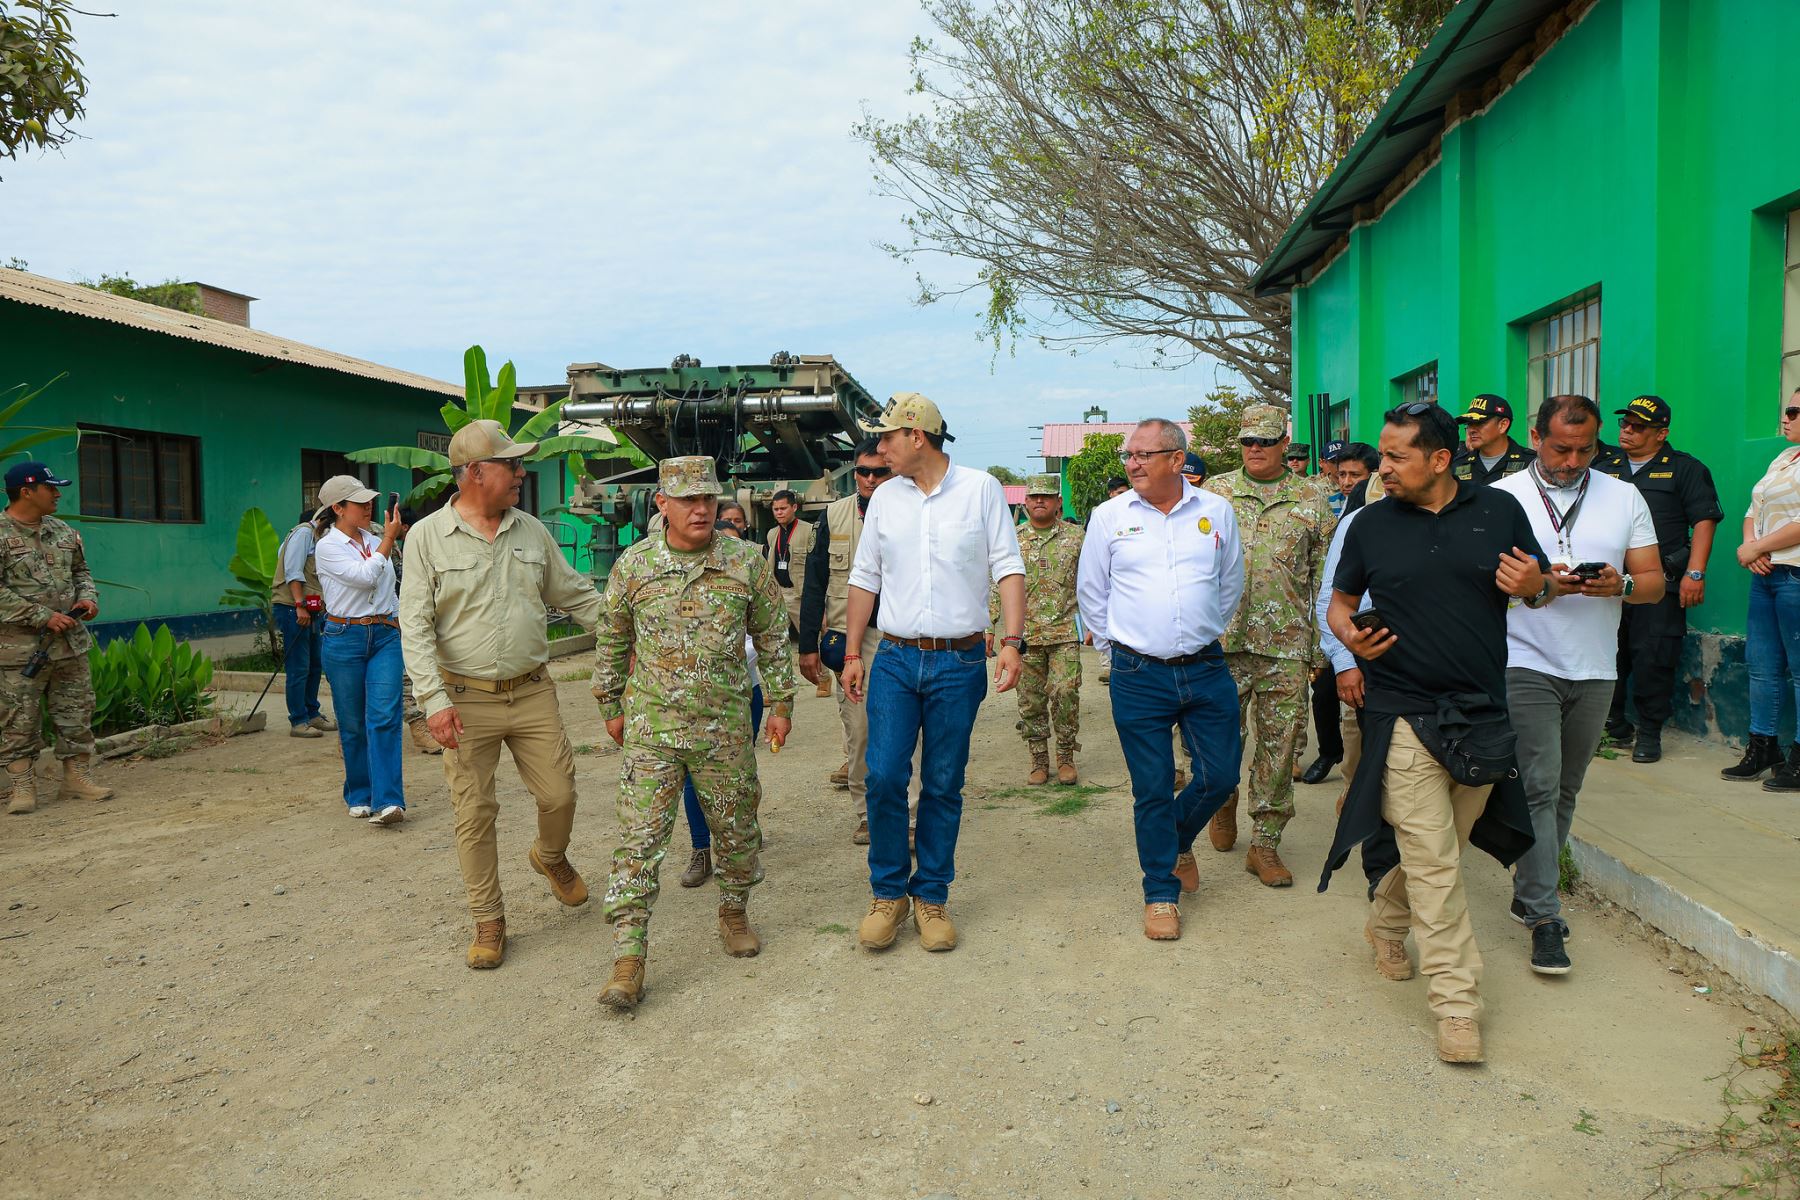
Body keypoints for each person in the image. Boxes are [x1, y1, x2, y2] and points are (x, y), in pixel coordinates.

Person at [1321, 401, 1546, 1065]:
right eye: (1382, 456)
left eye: (1395, 457)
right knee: (1434, 856)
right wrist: (1348, 636)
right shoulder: (1368, 524)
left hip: (1480, 713)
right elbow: (1338, 605)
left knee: (1448, 840)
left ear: (1441, 459)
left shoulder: (1499, 511)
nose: (1380, 468)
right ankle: (1456, 1002)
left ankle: (1386, 922)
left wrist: (1536, 584)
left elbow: (1538, 586)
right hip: (1403, 710)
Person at [398, 419, 602, 970]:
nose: (521, 472)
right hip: (464, 700)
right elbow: (414, 625)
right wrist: (433, 701)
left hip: (532, 691)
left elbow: (574, 593)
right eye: (511, 464)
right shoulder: (426, 538)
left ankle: (550, 856)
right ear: (474, 473)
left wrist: (630, 627)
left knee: (560, 794)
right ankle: (488, 918)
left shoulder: (531, 531)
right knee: (474, 812)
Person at [594, 456, 794, 1009]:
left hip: (725, 728)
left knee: (736, 830)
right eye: (687, 500)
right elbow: (611, 635)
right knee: (639, 841)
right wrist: (609, 700)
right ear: (662, 505)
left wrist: (780, 700)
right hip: (652, 728)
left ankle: (733, 911)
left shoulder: (744, 562)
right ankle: (629, 954)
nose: (700, 508)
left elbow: (773, 634)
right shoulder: (634, 567)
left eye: (707, 498)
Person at [842, 392, 1025, 953]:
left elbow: (1008, 567)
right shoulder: (886, 501)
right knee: (885, 774)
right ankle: (888, 892)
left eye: (886, 437)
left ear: (916, 436)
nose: (879, 449)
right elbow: (864, 577)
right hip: (894, 657)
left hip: (959, 659)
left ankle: (932, 897)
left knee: (944, 782)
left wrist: (1012, 642)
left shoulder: (981, 490)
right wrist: (852, 653)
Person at [1493, 395, 1662, 975]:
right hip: (1525, 659)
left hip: (1595, 667)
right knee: (1539, 786)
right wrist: (1536, 583)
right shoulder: (1502, 495)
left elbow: (1654, 584)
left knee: (1565, 790)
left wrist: (1619, 587)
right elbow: (1475, 582)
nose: (1571, 461)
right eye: (1560, 448)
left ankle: (1528, 885)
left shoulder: (1624, 495)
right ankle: (1544, 915)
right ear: (1536, 436)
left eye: (1585, 449)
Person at [1078, 419, 1243, 940]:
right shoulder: (1109, 517)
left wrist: (1200, 630)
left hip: (1205, 666)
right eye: (1129, 455)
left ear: (1177, 459)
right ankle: (1160, 892)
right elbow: (1092, 593)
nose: (1132, 464)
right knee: (1151, 788)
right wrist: (1114, 652)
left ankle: (1173, 839)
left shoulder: (1216, 511)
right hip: (1138, 673)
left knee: (1220, 776)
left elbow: (1230, 582)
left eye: (1144, 455)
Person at [1203, 404, 1336, 887]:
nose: (1255, 449)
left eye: (1265, 441)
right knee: (1217, 741)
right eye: (1247, 442)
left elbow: (1325, 579)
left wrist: (1323, 647)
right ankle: (1223, 802)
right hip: (1220, 643)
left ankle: (1265, 843)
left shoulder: (1313, 498)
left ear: (1285, 442)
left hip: (1286, 645)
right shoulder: (1213, 493)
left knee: (1280, 749)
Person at [796, 438, 915, 844]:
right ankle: (867, 813)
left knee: (907, 731)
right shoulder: (834, 516)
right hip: (853, 640)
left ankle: (911, 817)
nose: (868, 479)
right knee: (860, 730)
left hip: (903, 635)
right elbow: (814, 582)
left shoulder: (916, 509)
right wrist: (808, 645)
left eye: (878, 471)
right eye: (862, 471)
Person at [1593, 395, 1723, 764]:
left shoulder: (1684, 468)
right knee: (1609, 654)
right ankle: (1614, 724)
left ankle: (1649, 732)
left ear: (1662, 433)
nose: (1628, 431)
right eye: (1624, 424)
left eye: (1639, 427)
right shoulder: (1604, 467)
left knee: (1654, 658)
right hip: (1609, 581)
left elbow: (1704, 521)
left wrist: (1695, 573)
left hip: (1660, 582)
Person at [0, 461, 110, 814]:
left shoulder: (63, 532)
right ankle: (22, 787)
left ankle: (75, 779)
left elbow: (82, 571)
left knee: (76, 713)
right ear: (26, 492)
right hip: (18, 650)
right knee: (18, 720)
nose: (58, 494)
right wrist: (42, 616)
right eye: (51, 488)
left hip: (70, 646)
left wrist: (88, 597)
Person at [677, 500, 765, 887]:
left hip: (745, 691)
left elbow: (770, 634)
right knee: (693, 778)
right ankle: (701, 848)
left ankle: (740, 842)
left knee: (739, 774)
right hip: (690, 699)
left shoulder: (749, 571)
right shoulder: (678, 582)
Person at [312, 475, 409, 826]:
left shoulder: (373, 540)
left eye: (370, 501)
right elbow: (365, 577)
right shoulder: (328, 546)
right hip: (344, 637)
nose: (369, 507)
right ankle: (359, 793)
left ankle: (389, 800)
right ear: (338, 509)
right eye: (360, 503)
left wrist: (397, 619)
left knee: (384, 716)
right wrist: (388, 539)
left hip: (384, 635)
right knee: (352, 723)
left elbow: (388, 586)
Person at [1724, 389, 1800, 785]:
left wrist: (1757, 546)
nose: (1784, 417)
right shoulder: (1785, 458)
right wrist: (1749, 548)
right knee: (1762, 665)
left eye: (1793, 410)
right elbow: (1754, 510)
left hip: (1796, 576)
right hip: (1767, 574)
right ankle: (1763, 744)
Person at [993, 474, 1084, 785]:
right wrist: (989, 625)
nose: (1040, 501)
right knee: (1030, 700)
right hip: (1025, 637)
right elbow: (997, 583)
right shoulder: (1012, 539)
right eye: (1034, 497)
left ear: (1059, 501)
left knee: (1065, 693)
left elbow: (1094, 580)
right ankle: (1039, 759)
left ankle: (1065, 755)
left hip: (1064, 634)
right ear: (1025, 502)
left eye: (1047, 496)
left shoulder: (1076, 537)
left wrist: (1097, 624)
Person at [272, 508, 334, 739]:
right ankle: (298, 720)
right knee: (299, 666)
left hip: (312, 608)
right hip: (293, 608)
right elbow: (293, 572)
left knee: (314, 664)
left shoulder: (318, 538)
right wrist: (299, 604)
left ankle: (312, 713)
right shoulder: (303, 534)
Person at [764, 488, 825, 697]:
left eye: (783, 508)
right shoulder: (773, 534)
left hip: (800, 594)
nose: (779, 512)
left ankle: (823, 679)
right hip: (779, 592)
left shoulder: (808, 531)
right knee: (775, 641)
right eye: (775, 509)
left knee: (814, 637)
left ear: (794, 508)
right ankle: (777, 685)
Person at [1452, 394, 1534, 484]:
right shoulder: (1457, 465)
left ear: (1503, 425)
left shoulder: (1531, 464)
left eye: (1479, 423)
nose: (1471, 430)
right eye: (1469, 424)